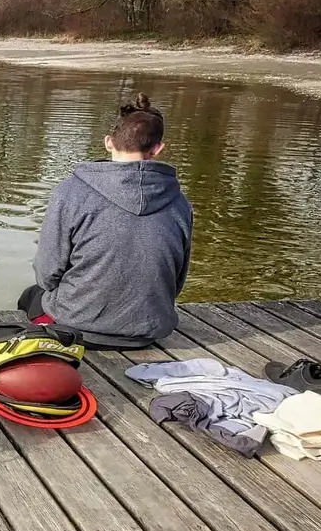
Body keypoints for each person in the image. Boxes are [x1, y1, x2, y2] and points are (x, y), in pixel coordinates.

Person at [19, 93, 193, 349]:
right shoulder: (181, 203)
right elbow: (177, 281)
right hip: (148, 331)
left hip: (77, 327)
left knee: (31, 296)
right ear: (157, 149)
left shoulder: (70, 191)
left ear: (109, 142)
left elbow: (47, 275)